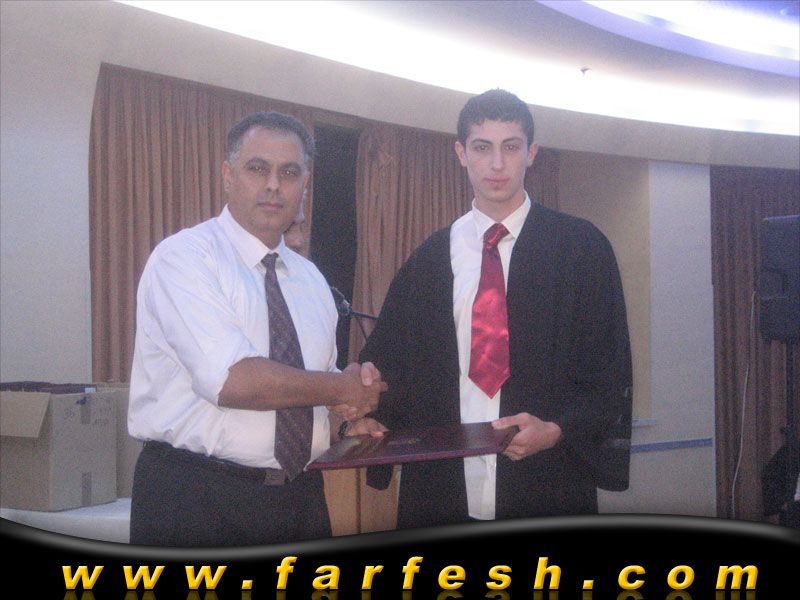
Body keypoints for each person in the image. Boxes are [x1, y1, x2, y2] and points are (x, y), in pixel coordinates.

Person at [349, 89, 632, 528]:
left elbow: (608, 372)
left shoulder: (581, 250)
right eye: (482, 147)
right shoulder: (430, 259)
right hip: (441, 492)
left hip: (547, 483)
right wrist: (370, 406)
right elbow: (391, 363)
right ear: (461, 154)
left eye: (511, 147)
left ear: (531, 154)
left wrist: (556, 429)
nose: (497, 164)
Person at [128, 111, 386, 546]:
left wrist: (344, 424)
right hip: (196, 498)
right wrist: (341, 388)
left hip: (300, 499)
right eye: (257, 168)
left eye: (289, 173)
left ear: (305, 184)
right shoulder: (185, 259)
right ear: (228, 176)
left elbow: (311, 400)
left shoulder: (312, 281)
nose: (273, 185)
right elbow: (233, 381)